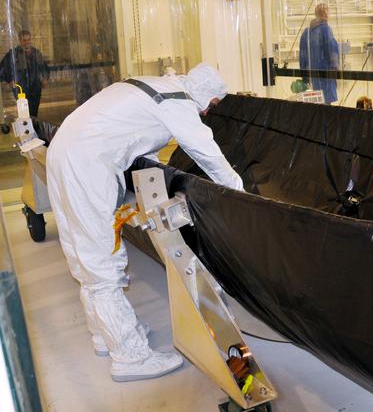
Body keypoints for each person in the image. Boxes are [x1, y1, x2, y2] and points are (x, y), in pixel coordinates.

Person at [46, 63, 244, 382]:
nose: (208, 111)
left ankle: (105, 334)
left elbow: (138, 141)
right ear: (206, 94)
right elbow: (208, 154)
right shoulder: (177, 101)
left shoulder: (154, 87)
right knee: (102, 262)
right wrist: (240, 196)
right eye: (212, 104)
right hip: (88, 164)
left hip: (64, 151)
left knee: (83, 254)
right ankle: (130, 356)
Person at [0, 30, 49, 117]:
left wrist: (45, 78)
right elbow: (3, 68)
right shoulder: (13, 54)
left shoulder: (36, 53)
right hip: (20, 87)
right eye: (24, 40)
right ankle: (26, 124)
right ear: (20, 41)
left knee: (34, 109)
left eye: (29, 39)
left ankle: (33, 123)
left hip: (35, 86)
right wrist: (9, 80)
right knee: (24, 110)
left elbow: (43, 67)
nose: (27, 42)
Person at [299, 3, 340, 104]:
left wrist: (305, 78)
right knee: (326, 107)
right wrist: (336, 70)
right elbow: (332, 52)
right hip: (325, 78)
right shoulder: (325, 29)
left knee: (315, 108)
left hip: (312, 80)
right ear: (326, 14)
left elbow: (302, 58)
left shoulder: (306, 33)